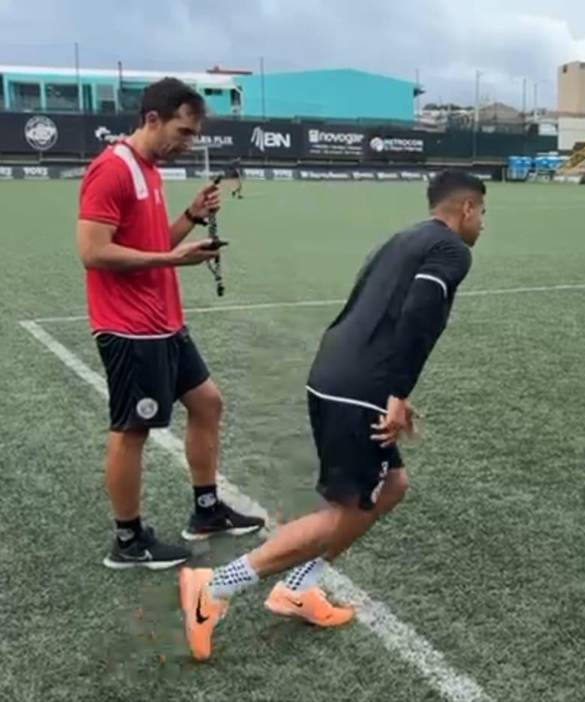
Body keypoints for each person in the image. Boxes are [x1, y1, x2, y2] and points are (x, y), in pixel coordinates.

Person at [179, 170, 486, 661]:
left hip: (335, 372)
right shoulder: (452, 249)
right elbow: (419, 315)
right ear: (466, 209)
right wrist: (396, 392)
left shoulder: (403, 239)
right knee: (344, 513)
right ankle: (214, 587)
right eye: (483, 213)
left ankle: (299, 586)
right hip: (363, 385)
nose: (483, 225)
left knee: (391, 488)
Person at [76, 77, 264, 571]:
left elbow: (154, 240)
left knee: (208, 403)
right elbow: (92, 252)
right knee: (132, 430)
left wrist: (192, 217)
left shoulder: (150, 170)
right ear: (152, 119)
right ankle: (128, 539)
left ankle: (206, 511)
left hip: (165, 322)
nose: (188, 143)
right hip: (129, 327)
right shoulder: (112, 170)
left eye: (194, 134)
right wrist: (171, 259)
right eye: (182, 132)